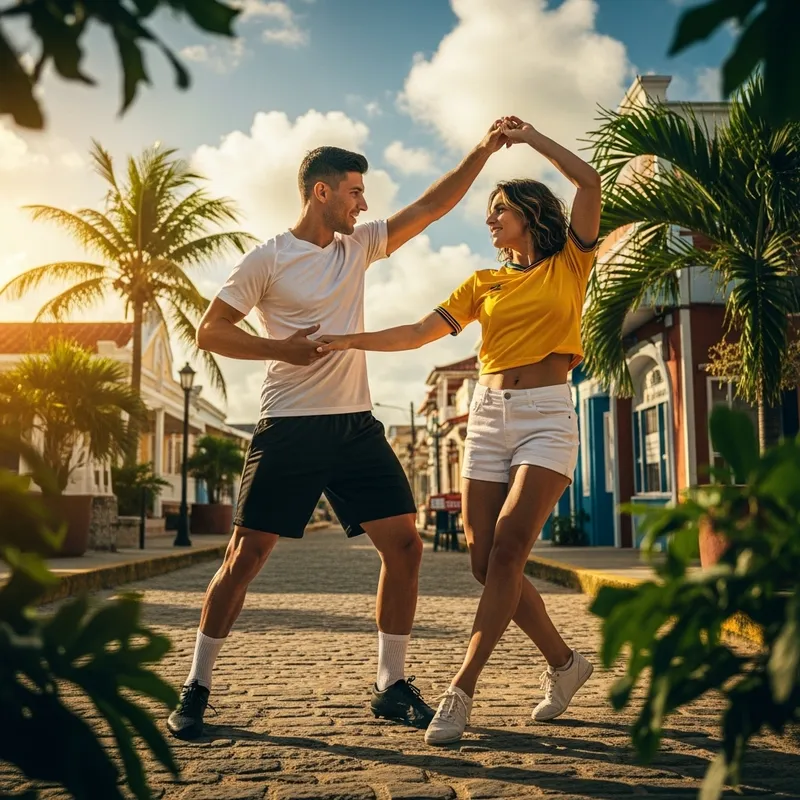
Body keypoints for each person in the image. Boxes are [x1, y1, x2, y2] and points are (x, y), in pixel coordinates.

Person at [166, 121, 515, 740]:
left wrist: (485, 150)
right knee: (245, 558)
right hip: (290, 427)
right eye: (355, 191)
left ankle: (390, 685)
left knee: (405, 546)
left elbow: (433, 207)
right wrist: (283, 348)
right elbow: (212, 332)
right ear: (322, 192)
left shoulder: (358, 246)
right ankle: (196, 686)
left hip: (355, 426)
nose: (364, 203)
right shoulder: (269, 258)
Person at [316, 116, 602, 745]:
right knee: (482, 562)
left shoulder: (571, 263)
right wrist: (348, 340)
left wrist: (529, 138)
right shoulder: (483, 283)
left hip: (549, 416)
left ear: (530, 213)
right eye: (491, 211)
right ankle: (565, 663)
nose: (491, 219)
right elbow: (419, 332)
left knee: (508, 547)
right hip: (488, 418)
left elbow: (588, 179)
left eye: (500, 209)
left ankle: (461, 689)